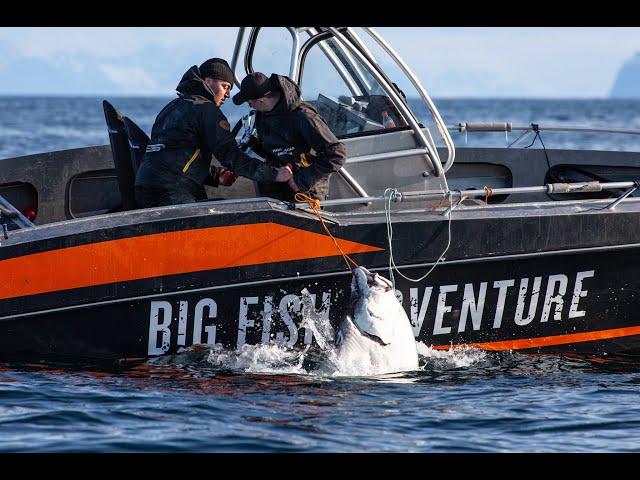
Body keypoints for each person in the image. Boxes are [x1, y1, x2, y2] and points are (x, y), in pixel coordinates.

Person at [134, 59, 292, 208]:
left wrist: (216, 176)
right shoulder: (207, 110)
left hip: (143, 189)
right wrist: (273, 174)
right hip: (172, 193)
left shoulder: (170, 108)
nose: (228, 95)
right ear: (208, 81)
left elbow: (173, 157)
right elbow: (231, 156)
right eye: (225, 86)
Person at [232, 71, 346, 202]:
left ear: (261, 101)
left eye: (250, 103)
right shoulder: (263, 116)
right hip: (276, 193)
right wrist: (255, 146)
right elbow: (275, 150)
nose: (250, 106)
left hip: (304, 194)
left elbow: (337, 153)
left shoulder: (304, 117)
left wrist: (303, 180)